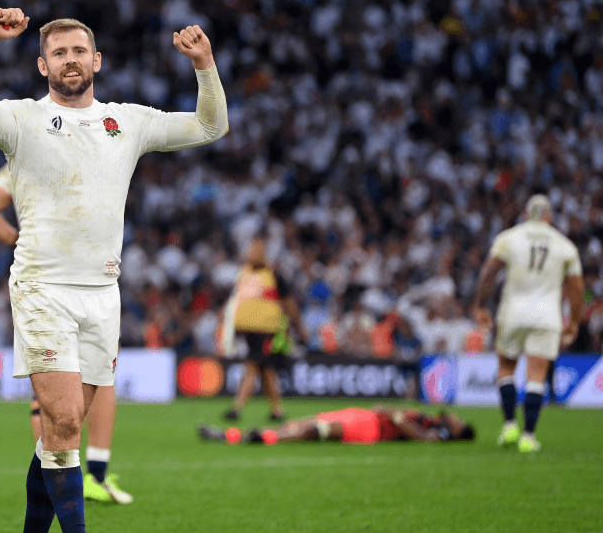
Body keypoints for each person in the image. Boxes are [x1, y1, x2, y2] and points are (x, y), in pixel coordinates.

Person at [0, 7, 228, 533]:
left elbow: (209, 127)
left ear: (97, 61)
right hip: (44, 287)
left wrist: (205, 67)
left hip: (103, 292)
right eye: (59, 53)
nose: (71, 60)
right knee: (66, 419)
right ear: (43, 65)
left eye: (80, 51)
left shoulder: (128, 121)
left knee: (59, 435)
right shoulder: (22, 119)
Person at [0, 166, 133, 505]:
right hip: (91, 279)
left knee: (52, 386)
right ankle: (93, 476)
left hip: (44, 282)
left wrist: (19, 242)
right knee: (99, 376)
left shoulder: (26, 157)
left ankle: (58, 478)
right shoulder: (93, 149)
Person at [470, 194, 583, 453]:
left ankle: (509, 424)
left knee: (506, 366)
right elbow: (576, 288)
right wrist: (574, 320)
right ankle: (529, 436)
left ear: (525, 214)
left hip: (513, 313)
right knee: (536, 375)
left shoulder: (509, 238)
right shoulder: (565, 246)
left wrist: (479, 305)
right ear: (549, 216)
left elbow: (489, 273)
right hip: (547, 316)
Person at [220, 236, 307, 424]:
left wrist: (300, 328)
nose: (249, 254)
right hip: (249, 331)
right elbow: (237, 300)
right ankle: (277, 410)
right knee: (266, 369)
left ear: (263, 254)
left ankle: (237, 408)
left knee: (251, 366)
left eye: (253, 251)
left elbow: (289, 303)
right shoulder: (244, 274)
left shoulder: (274, 275)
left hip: (266, 330)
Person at [199, 405, 476, 445]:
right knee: (301, 423)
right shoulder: (427, 417)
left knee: (315, 430)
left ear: (455, 431)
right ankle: (231, 435)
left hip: (369, 429)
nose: (455, 417)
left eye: (458, 423)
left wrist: (398, 418)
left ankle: (264, 439)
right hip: (362, 415)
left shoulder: (434, 432)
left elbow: (423, 438)